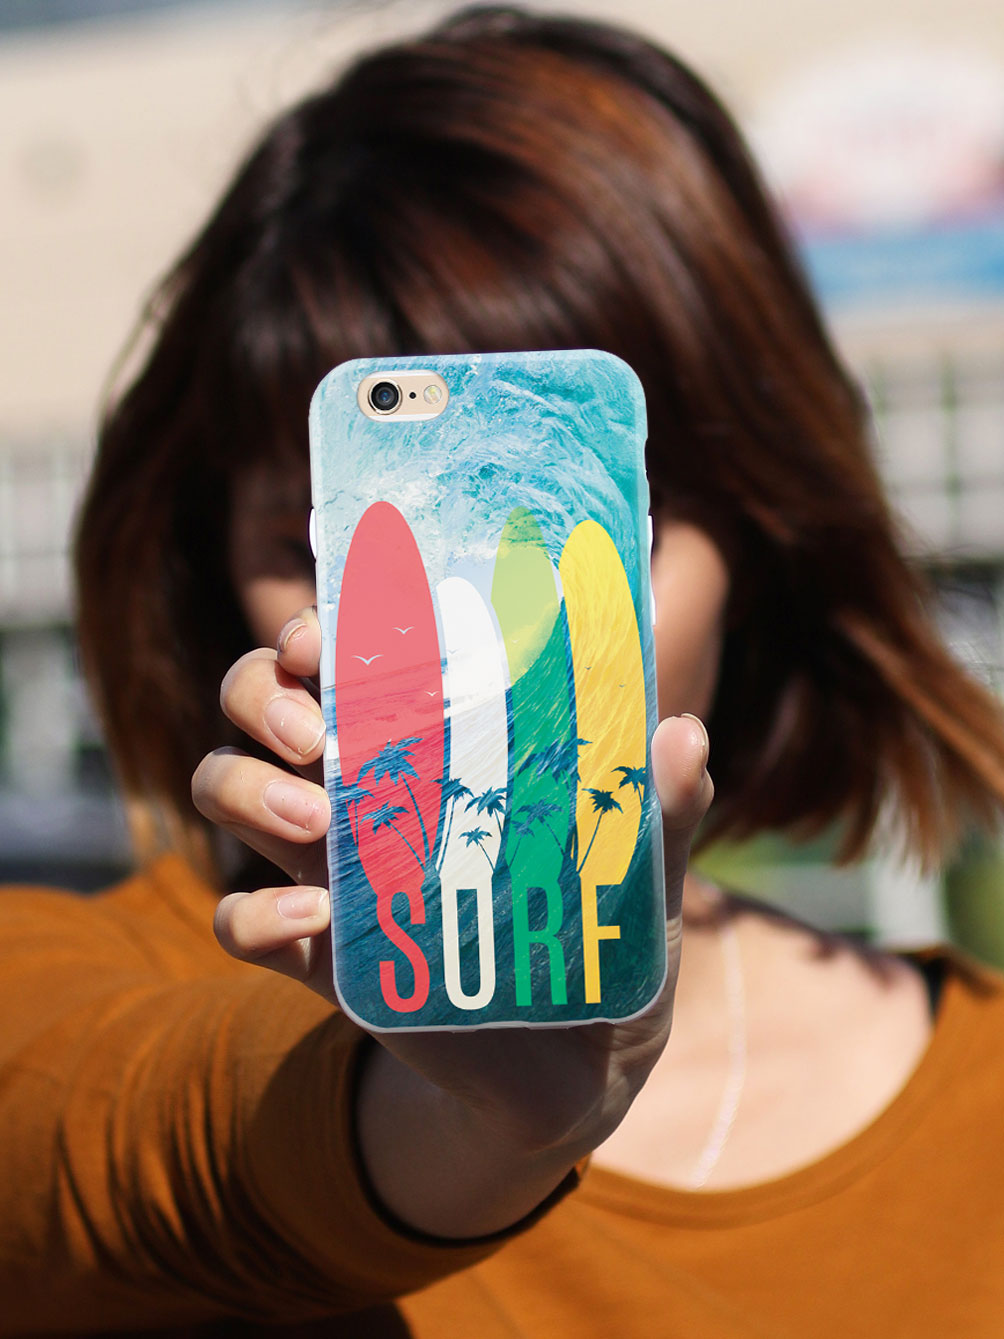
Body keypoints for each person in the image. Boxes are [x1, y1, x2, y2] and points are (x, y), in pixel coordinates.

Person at [4, 5, 1004, 1333]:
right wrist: (455, 1127)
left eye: (583, 530)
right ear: (208, 567)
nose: (466, 640)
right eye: (330, 542)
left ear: (764, 539)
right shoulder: (60, 982)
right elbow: (132, 1153)